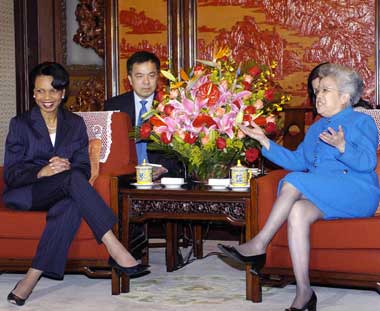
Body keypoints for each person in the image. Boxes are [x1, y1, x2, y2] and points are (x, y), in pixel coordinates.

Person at [219, 63, 380, 310]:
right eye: (317, 92)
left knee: (295, 180)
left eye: (326, 90)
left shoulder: (361, 122)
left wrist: (342, 147)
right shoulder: (316, 128)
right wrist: (264, 140)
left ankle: (259, 243)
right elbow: (298, 161)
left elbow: (368, 163)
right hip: (325, 190)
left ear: (345, 97)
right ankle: (304, 291)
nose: (319, 96)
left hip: (356, 191)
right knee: (297, 211)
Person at [3, 62, 149, 306]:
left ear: (62, 93)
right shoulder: (20, 124)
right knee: (72, 184)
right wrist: (43, 171)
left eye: (52, 91)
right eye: (40, 91)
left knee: (71, 202)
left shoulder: (75, 124)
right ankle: (115, 247)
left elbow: (82, 167)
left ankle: (30, 278)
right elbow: (12, 172)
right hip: (28, 192)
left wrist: (67, 168)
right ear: (33, 93)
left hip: (64, 190)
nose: (46, 97)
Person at [104, 50, 182, 177]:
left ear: (158, 77)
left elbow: (182, 151)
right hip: (125, 176)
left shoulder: (172, 106)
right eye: (139, 76)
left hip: (163, 177)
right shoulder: (113, 106)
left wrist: (165, 168)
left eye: (151, 75)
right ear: (130, 79)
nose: (146, 82)